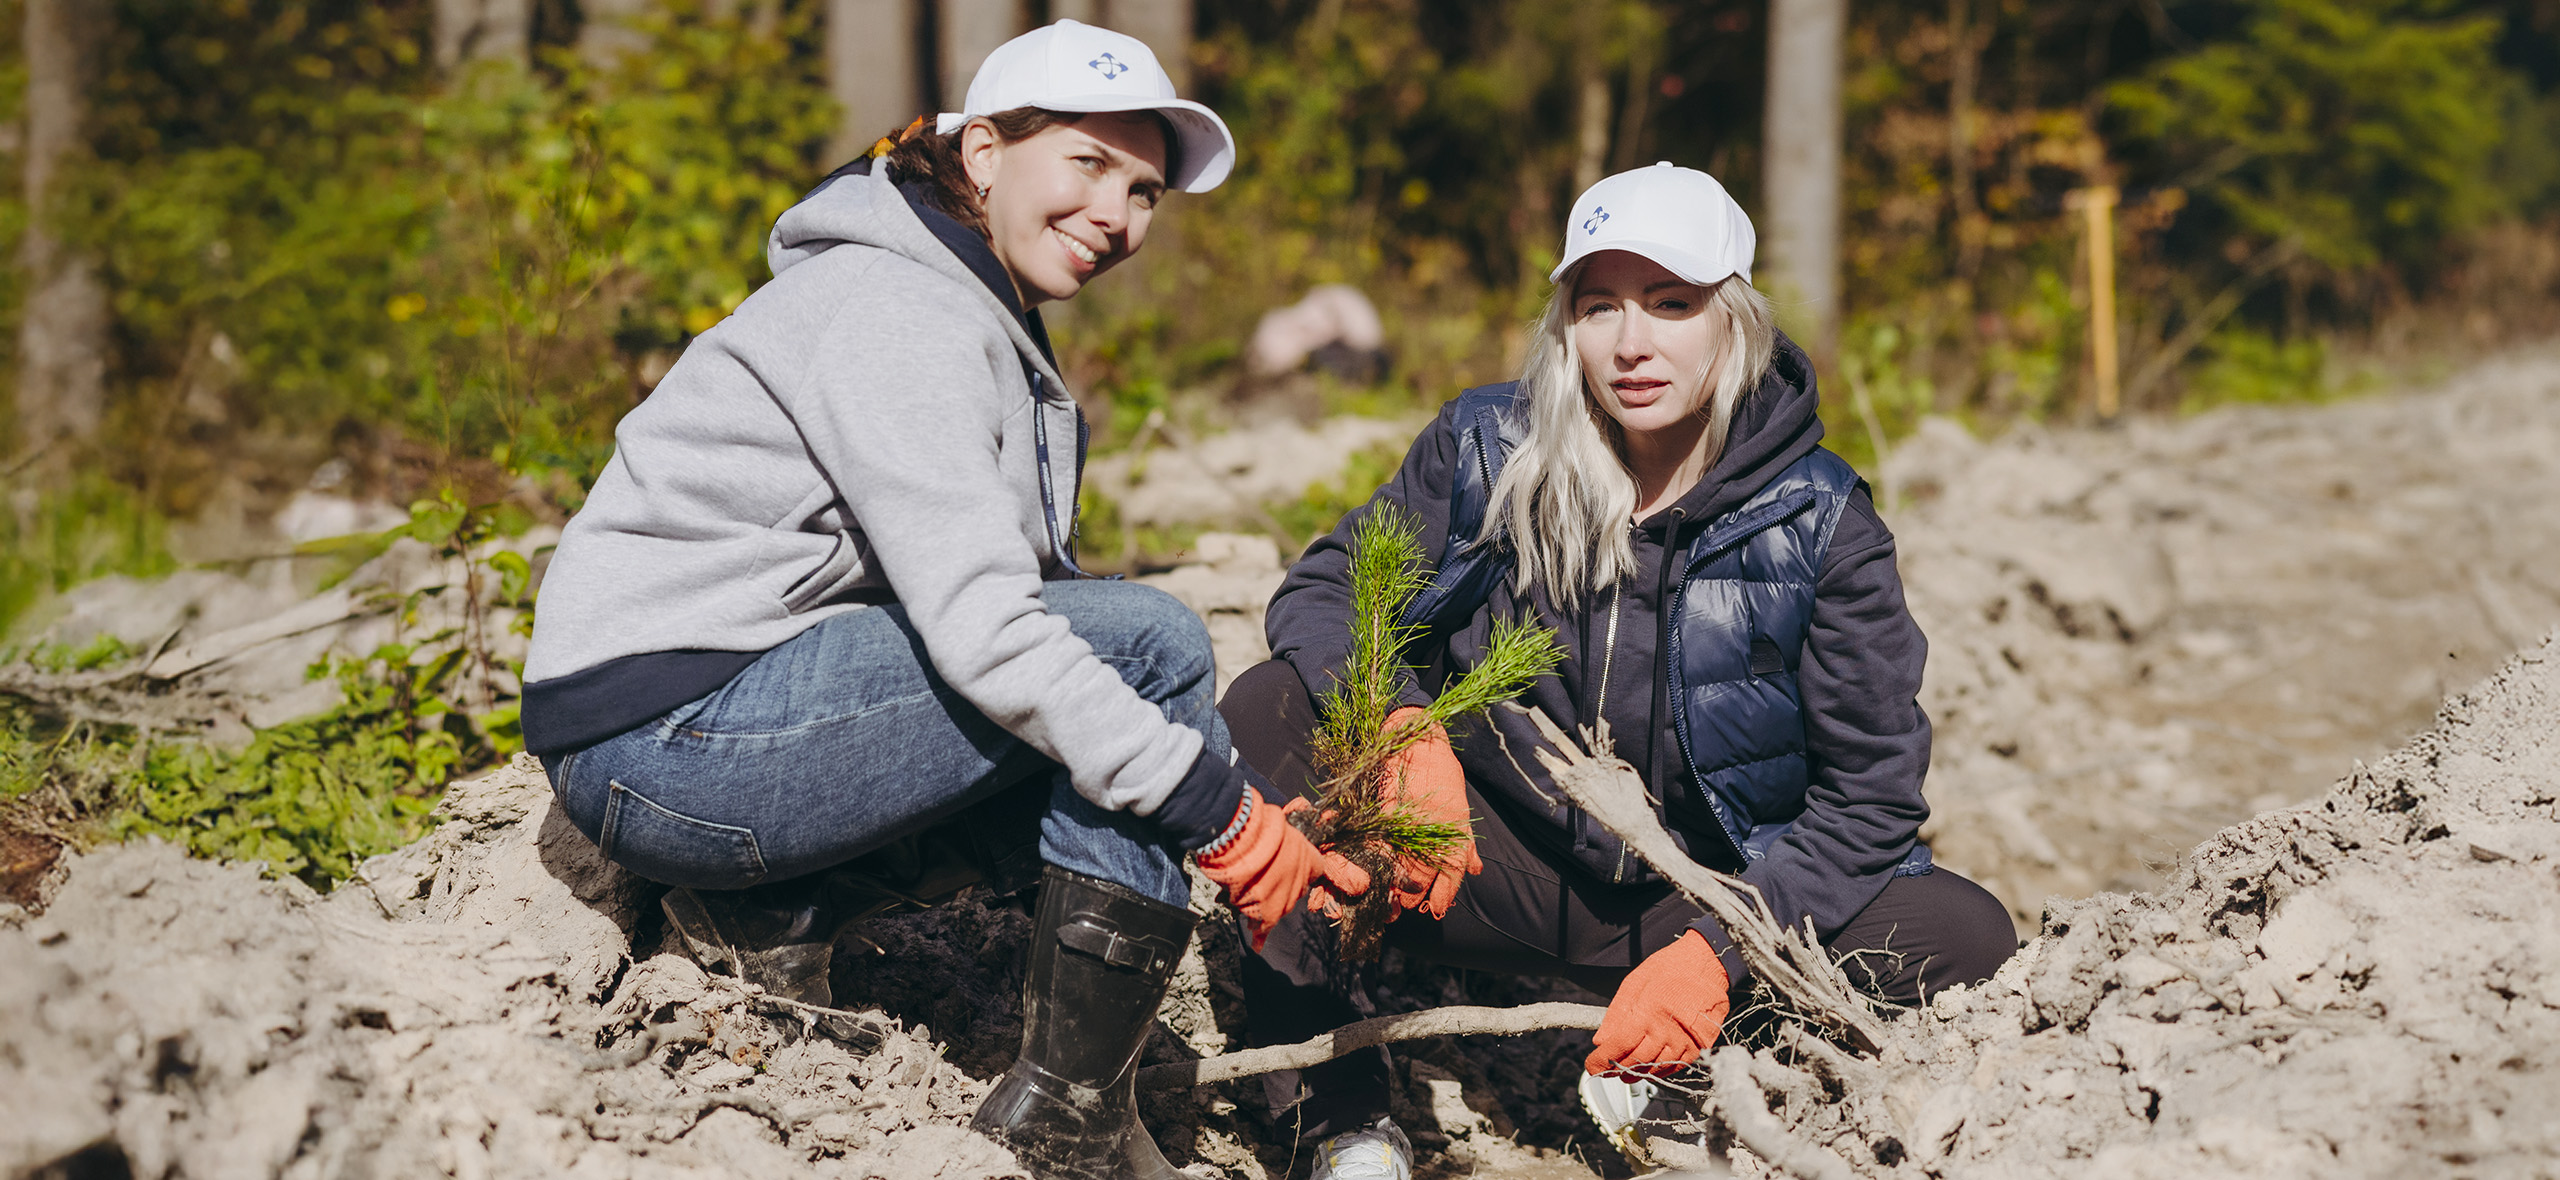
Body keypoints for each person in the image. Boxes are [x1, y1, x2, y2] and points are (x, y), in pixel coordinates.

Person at [519, 21, 1366, 1180]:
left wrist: (1197, 787)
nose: (1115, 214)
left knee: (1113, 710)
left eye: (1144, 189)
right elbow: (992, 626)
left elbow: (1012, 610)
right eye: (1084, 163)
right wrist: (1216, 812)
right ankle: (1066, 1122)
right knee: (1151, 648)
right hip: (668, 745)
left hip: (700, 722)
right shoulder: (900, 310)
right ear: (980, 154)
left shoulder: (958, 301)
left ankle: (776, 913)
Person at [1220, 162, 2019, 1177]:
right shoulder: (1485, 447)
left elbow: (1873, 793)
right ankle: (1335, 1117)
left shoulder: (1820, 521)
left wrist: (1720, 949)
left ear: (1732, 319)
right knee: (1271, 704)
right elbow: (1327, 592)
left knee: (1962, 932)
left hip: (1691, 890)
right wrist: (1401, 727)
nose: (1632, 343)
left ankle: (1680, 1077)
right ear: (1566, 325)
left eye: (1671, 304)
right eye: (1599, 307)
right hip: (1476, 865)